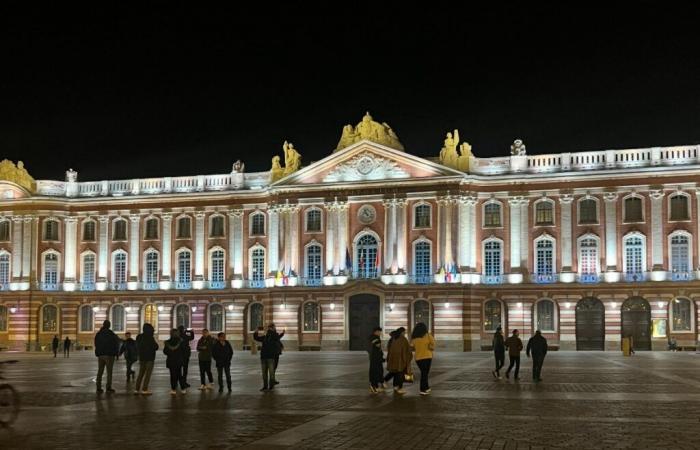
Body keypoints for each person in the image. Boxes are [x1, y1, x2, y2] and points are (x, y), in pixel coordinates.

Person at [253, 323, 282, 391]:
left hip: (269, 357)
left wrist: (273, 330)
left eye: (269, 328)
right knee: (265, 374)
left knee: (270, 373)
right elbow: (256, 338)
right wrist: (256, 331)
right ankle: (266, 386)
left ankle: (270, 386)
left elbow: (277, 337)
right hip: (265, 357)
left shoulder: (273, 336)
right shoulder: (265, 337)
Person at [94, 320, 120, 393]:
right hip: (109, 355)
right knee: (109, 372)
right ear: (109, 326)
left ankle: (98, 387)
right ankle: (108, 387)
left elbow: (96, 343)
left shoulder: (99, 334)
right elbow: (116, 343)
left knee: (100, 371)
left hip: (101, 355)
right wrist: (116, 353)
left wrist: (98, 351)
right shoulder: (111, 334)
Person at [410, 322, 435, 395]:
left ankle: (427, 387)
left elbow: (412, 347)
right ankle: (422, 389)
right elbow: (433, 345)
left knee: (424, 373)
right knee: (425, 373)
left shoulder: (414, 338)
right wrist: (429, 347)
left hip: (418, 358)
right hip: (427, 357)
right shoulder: (428, 336)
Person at [386, 327, 412, 395]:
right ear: (401, 332)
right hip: (401, 360)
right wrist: (407, 359)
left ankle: (395, 386)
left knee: (395, 372)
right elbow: (408, 350)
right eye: (404, 332)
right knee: (400, 374)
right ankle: (400, 388)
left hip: (393, 359)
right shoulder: (403, 339)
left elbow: (388, 348)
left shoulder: (392, 338)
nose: (405, 333)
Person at [134, 323, 158, 395]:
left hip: (142, 357)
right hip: (150, 358)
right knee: (147, 374)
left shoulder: (139, 337)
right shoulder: (150, 337)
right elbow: (156, 347)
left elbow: (137, 346)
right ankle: (144, 389)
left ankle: (136, 389)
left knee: (141, 373)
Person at [164, 328, 187, 395]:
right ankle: (183, 388)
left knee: (172, 375)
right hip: (179, 361)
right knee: (180, 375)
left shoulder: (167, 342)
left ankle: (173, 389)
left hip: (171, 361)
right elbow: (184, 351)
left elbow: (165, 351)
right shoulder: (181, 341)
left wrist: (171, 353)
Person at [367, 327, 384, 393]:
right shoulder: (375, 338)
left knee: (375, 371)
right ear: (376, 331)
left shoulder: (371, 337)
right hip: (375, 357)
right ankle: (373, 386)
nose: (380, 333)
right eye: (379, 332)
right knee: (375, 371)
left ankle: (376, 386)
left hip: (373, 357)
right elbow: (378, 346)